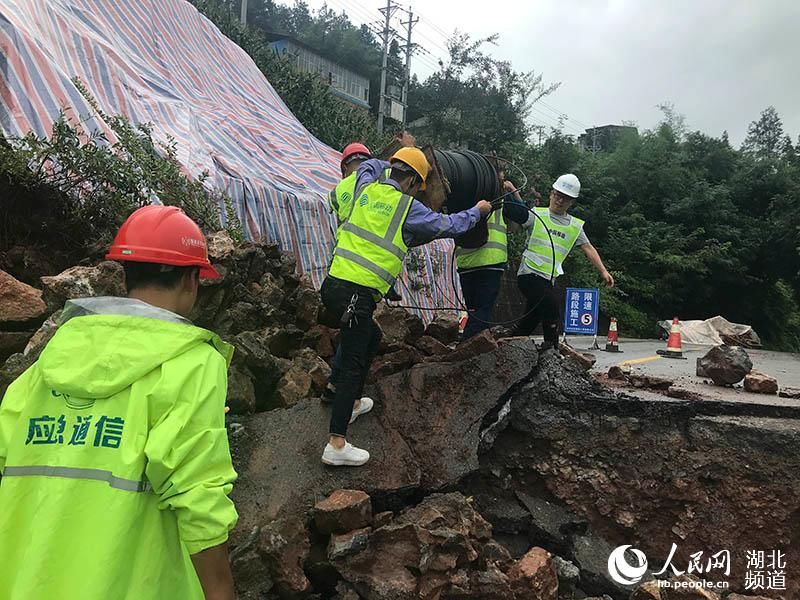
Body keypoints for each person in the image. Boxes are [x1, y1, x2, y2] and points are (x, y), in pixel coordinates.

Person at [0, 205, 238, 600]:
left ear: (125, 275)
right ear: (192, 280)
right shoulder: (193, 363)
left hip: (24, 578)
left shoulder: (54, 356)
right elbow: (199, 494)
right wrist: (221, 591)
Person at [321, 147, 492, 467]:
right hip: (356, 295)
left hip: (333, 287)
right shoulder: (407, 208)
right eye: (420, 184)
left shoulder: (365, 189)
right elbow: (451, 225)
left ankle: (354, 402)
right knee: (354, 361)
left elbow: (368, 166)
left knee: (370, 336)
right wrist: (479, 211)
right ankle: (336, 443)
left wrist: (394, 162)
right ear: (414, 182)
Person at [513, 173, 614, 349]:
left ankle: (509, 343)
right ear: (551, 194)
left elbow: (588, 248)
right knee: (551, 307)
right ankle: (552, 351)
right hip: (528, 274)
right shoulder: (537, 215)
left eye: (565, 199)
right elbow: (520, 212)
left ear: (571, 202)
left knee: (532, 316)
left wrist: (603, 271)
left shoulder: (574, 226)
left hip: (547, 278)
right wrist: (513, 192)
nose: (560, 201)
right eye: (558, 195)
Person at [455, 179, 529, 339]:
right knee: (483, 311)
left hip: (465, 262)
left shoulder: (462, 189)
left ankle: (475, 346)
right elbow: (523, 215)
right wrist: (513, 190)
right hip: (490, 261)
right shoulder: (499, 194)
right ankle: (467, 347)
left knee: (473, 310)